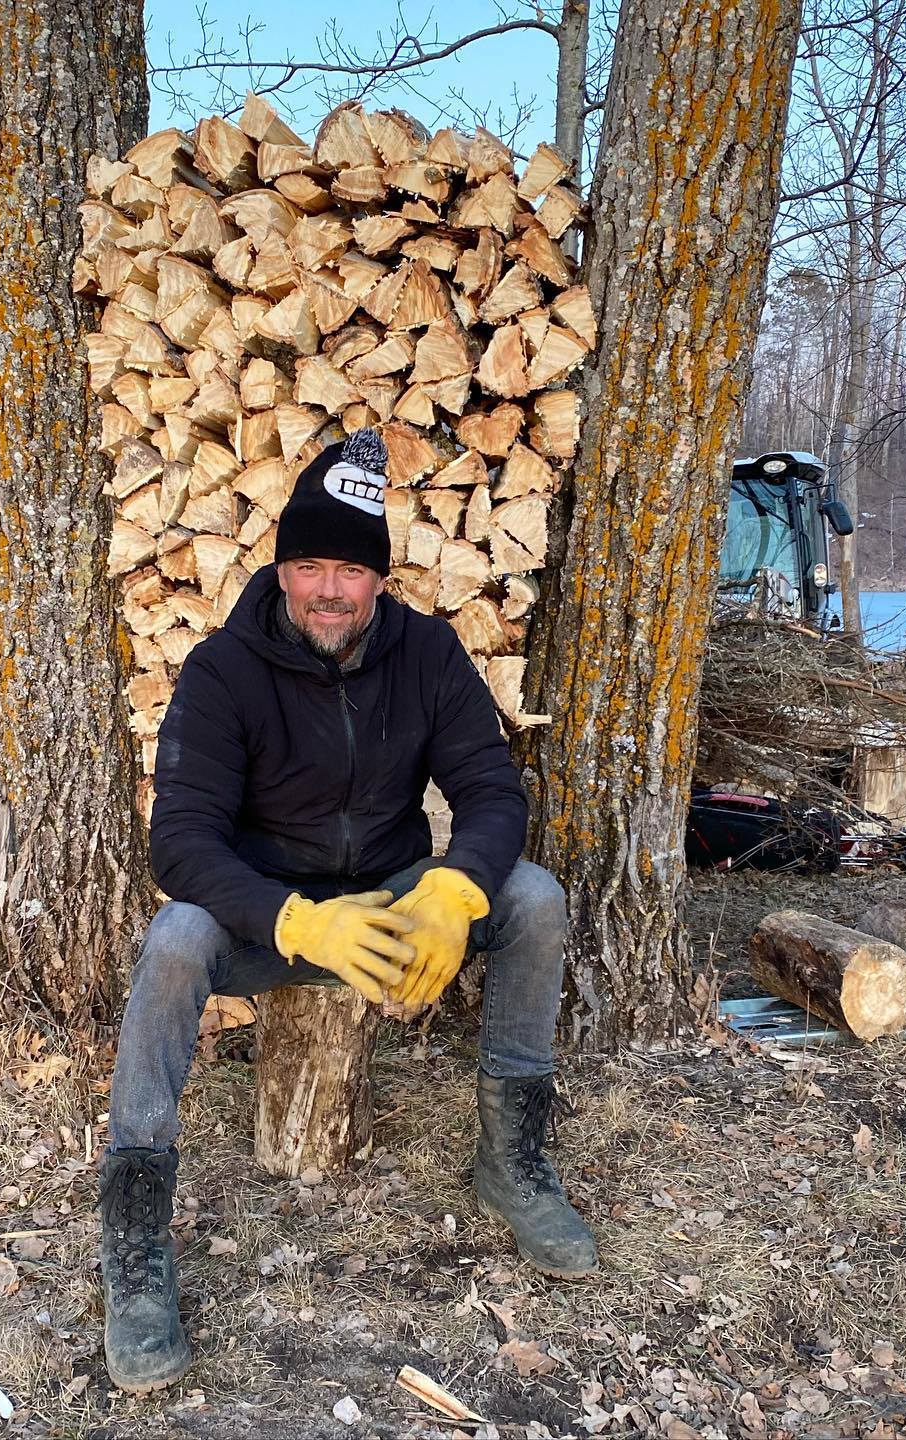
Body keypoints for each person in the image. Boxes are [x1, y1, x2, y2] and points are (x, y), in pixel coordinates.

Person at [98, 428, 597, 1394]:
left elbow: (492, 792)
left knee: (533, 897)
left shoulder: (427, 654)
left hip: (394, 899)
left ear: (380, 578)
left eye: (352, 570)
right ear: (283, 571)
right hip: (268, 919)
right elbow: (181, 843)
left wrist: (454, 891)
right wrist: (294, 919)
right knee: (172, 939)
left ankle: (513, 1162)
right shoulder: (223, 669)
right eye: (310, 566)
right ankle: (135, 1240)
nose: (330, 590)